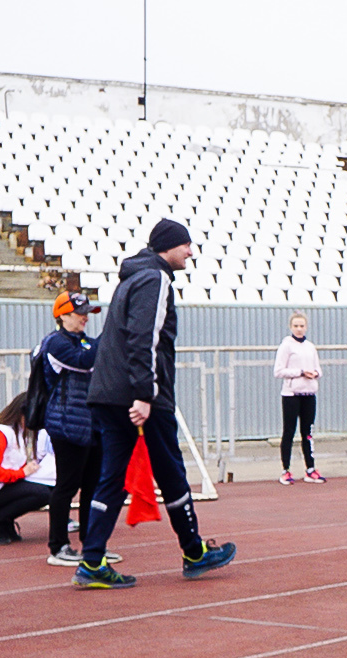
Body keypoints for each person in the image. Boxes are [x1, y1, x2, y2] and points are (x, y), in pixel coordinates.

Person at [76, 218, 236, 588]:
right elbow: (143, 338)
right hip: (141, 396)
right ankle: (194, 553)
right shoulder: (155, 279)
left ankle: (92, 561)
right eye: (186, 245)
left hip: (108, 392)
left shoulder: (132, 278)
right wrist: (144, 394)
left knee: (112, 478)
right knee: (171, 472)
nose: (190, 252)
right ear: (168, 246)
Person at [26, 290, 112, 566]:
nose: (85, 318)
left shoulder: (83, 341)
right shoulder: (56, 344)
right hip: (66, 424)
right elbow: (84, 362)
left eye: (87, 312)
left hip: (90, 424)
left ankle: (92, 544)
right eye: (80, 312)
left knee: (92, 486)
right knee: (66, 486)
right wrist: (109, 337)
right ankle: (58, 546)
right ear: (62, 315)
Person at [0, 392, 55, 544]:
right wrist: (22, 472)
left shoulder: (17, 434)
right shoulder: (0, 433)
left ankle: (4, 520)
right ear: (22, 413)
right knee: (41, 493)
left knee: (48, 489)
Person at [274, 311, 324, 485]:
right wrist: (300, 373)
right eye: (296, 326)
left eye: (302, 326)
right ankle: (285, 470)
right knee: (289, 431)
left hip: (309, 393)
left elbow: (319, 369)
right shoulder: (286, 346)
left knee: (307, 433)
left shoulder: (310, 346)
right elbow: (278, 371)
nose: (299, 329)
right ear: (291, 327)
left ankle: (310, 468)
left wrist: (314, 374)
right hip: (291, 394)